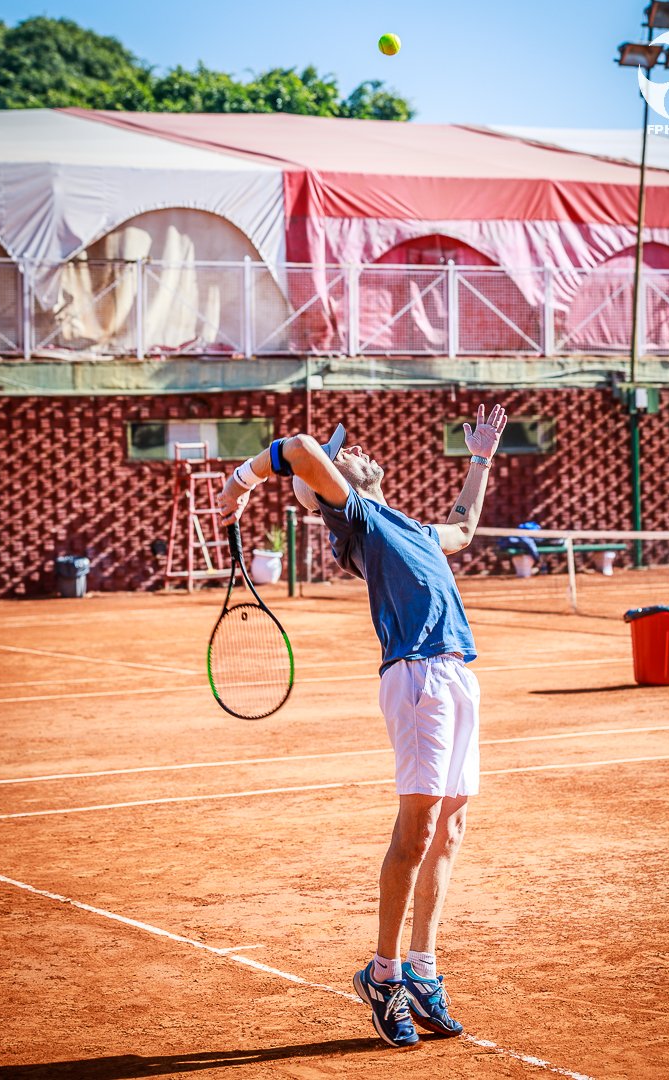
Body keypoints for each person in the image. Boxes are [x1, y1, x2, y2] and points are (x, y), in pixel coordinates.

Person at [217, 403, 506, 1049]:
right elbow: (295, 447)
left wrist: (480, 460)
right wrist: (240, 484)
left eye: (342, 448)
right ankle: (382, 973)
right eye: (339, 454)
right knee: (419, 827)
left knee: (451, 826)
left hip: (459, 677)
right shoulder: (360, 519)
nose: (346, 451)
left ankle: (424, 970)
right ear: (325, 490)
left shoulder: (410, 527)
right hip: (417, 680)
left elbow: (463, 525)